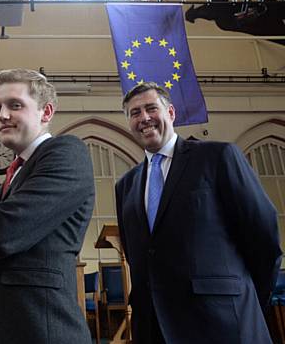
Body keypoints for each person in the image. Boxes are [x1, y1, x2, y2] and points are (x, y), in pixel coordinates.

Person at [115, 82, 282, 343]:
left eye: (151, 108)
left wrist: (243, 300)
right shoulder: (125, 185)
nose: (144, 118)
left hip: (223, 322)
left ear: (170, 113)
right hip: (154, 326)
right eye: (135, 113)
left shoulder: (217, 157)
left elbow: (263, 237)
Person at [0, 69, 95, 344]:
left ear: (46, 112)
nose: (2, 115)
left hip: (39, 327)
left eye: (15, 105)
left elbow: (4, 231)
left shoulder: (66, 153)